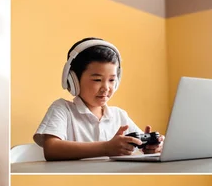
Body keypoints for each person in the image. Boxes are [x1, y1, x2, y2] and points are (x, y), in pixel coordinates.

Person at [33, 37, 164, 161]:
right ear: (73, 80)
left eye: (112, 80)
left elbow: (139, 146)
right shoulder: (63, 109)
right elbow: (51, 149)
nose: (106, 88)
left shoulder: (119, 115)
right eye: (97, 80)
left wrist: (150, 147)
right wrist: (106, 148)